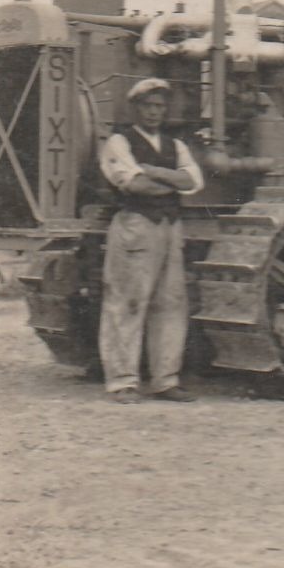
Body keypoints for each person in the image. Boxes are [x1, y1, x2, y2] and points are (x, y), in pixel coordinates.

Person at [97, 78, 203, 404]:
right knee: (127, 301)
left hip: (171, 228)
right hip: (135, 226)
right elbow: (134, 186)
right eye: (148, 105)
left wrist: (154, 172)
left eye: (159, 106)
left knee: (171, 303)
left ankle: (165, 380)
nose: (154, 112)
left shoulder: (175, 145)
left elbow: (194, 181)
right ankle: (123, 382)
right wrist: (173, 182)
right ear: (135, 108)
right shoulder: (119, 142)